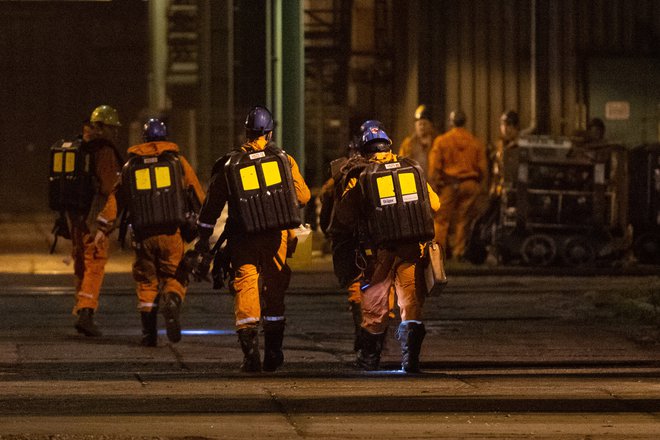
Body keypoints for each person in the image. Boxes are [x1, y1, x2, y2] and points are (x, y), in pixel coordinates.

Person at [194, 105, 310, 372]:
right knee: (274, 289)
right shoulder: (284, 159)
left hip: (243, 237)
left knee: (246, 287)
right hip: (276, 237)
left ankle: (250, 355)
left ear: (246, 132)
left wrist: (203, 238)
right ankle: (274, 352)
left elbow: (211, 206)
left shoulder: (229, 164)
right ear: (269, 133)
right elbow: (303, 197)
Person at [334, 126, 440, 373]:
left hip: (378, 252)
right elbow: (435, 204)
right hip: (412, 248)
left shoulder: (361, 175)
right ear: (388, 147)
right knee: (410, 303)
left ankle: (369, 359)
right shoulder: (411, 170)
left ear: (364, 151)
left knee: (375, 305)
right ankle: (410, 360)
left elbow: (345, 216)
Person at [94, 118, 205, 346]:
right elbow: (196, 192)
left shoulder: (130, 167)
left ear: (143, 139)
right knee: (175, 275)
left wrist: (103, 228)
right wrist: (204, 222)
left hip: (143, 236)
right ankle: (172, 300)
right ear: (165, 137)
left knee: (147, 282)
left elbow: (116, 200)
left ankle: (149, 334)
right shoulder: (178, 162)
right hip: (172, 233)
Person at [65, 105, 124, 337]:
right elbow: (110, 187)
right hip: (94, 215)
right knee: (95, 262)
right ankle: (86, 312)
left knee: (81, 260)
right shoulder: (104, 151)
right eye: (111, 127)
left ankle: (80, 307)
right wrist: (106, 222)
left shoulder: (80, 146)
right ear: (101, 127)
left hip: (76, 214)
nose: (114, 132)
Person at [428, 109, 488, 260]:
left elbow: (435, 167)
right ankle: (459, 252)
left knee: (441, 220)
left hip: (449, 186)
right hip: (470, 185)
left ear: (451, 122)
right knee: (464, 220)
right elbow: (482, 169)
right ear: (465, 122)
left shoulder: (442, 141)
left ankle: (439, 253)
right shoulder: (475, 142)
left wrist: (434, 185)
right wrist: (477, 184)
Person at [398, 105, 438, 175]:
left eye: (424, 124)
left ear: (430, 125)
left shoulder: (437, 142)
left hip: (432, 183)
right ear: (415, 125)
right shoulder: (408, 143)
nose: (422, 127)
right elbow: (401, 164)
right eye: (420, 124)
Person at [490, 110, 520, 197]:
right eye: (503, 125)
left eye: (509, 125)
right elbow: (496, 170)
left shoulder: (521, 147)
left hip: (516, 191)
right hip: (501, 190)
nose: (505, 129)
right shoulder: (500, 146)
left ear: (516, 127)